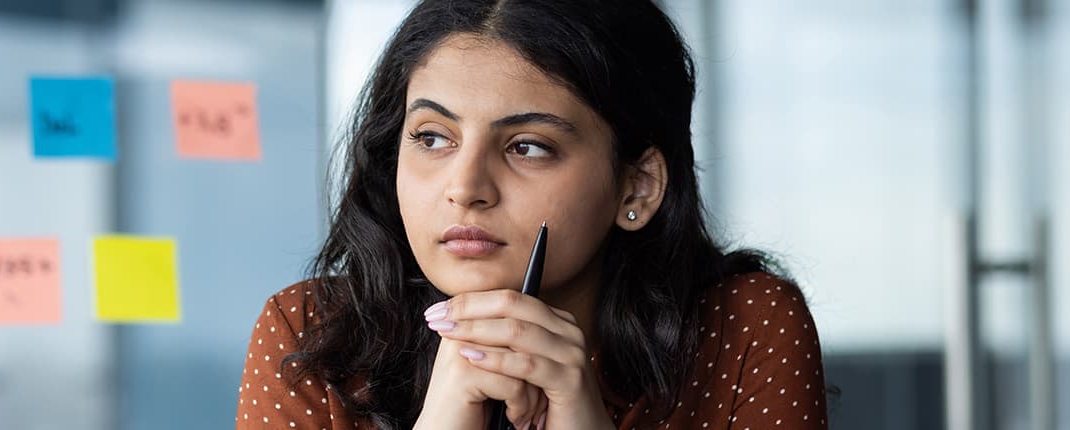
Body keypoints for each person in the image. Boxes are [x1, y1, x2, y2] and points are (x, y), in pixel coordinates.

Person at [237, 0, 828, 428]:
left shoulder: (743, 327)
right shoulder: (310, 334)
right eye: (432, 138)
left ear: (638, 186)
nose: (465, 188)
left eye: (527, 147)